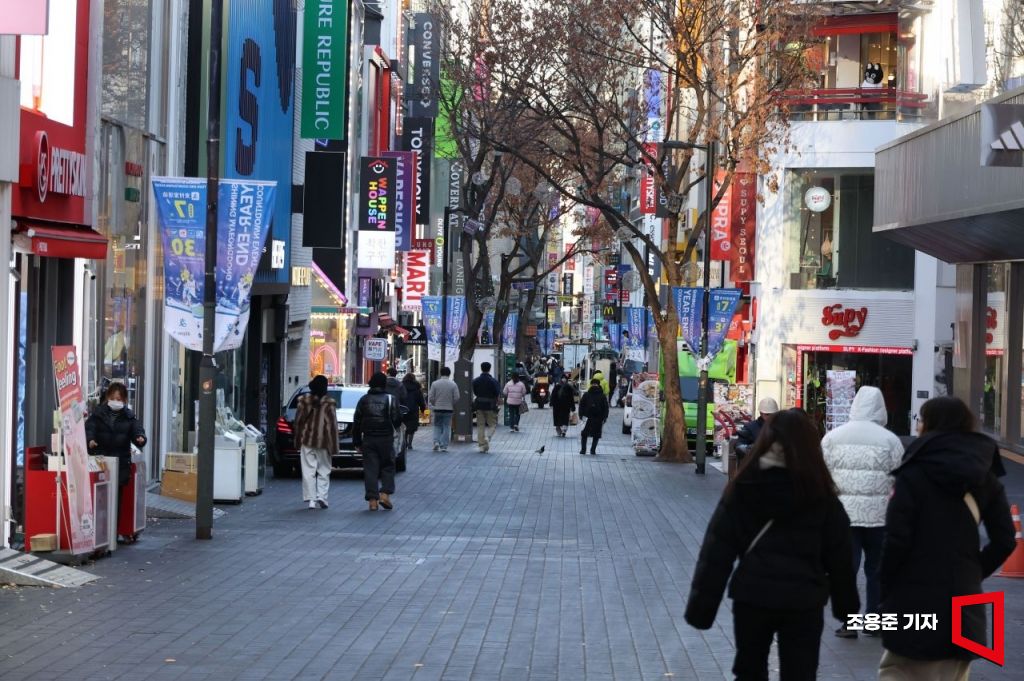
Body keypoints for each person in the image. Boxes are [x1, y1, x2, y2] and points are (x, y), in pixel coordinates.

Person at [684, 409, 859, 681]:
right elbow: (840, 556)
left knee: (749, 670)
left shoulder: (745, 486)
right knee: (801, 673)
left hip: (753, 595)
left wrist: (702, 608)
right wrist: (846, 607)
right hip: (804, 599)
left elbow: (717, 550)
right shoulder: (820, 492)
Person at [878, 396, 1015, 679]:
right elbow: (1005, 539)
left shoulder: (913, 474)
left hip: (915, 600)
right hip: (963, 603)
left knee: (897, 671)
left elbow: (897, 540)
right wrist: (973, 570)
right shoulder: (985, 476)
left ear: (928, 425)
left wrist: (885, 583)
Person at [821, 386, 905, 639]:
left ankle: (848, 622)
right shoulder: (890, 440)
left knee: (846, 570)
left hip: (843, 517)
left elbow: (822, 475)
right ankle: (874, 620)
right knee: (877, 570)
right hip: (879, 516)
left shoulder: (832, 437)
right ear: (881, 407)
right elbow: (900, 475)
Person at [86, 382, 147, 537]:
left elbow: (137, 431)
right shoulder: (98, 414)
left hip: (120, 464)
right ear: (107, 398)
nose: (115, 401)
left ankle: (112, 534)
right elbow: (89, 429)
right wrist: (90, 440)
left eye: (119, 399)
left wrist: (140, 438)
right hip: (101, 462)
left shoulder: (129, 417)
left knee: (116, 500)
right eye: (113, 398)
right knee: (99, 499)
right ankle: (99, 534)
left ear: (125, 400)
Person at [352, 372, 403, 511]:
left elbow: (357, 422)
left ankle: (373, 500)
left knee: (370, 469)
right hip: (386, 438)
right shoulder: (390, 399)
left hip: (368, 439)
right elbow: (397, 420)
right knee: (388, 466)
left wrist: (357, 441)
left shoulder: (363, 400)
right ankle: (385, 494)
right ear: (384, 384)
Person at [292, 375, 338, 510]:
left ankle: (311, 499)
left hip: (307, 440)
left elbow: (298, 423)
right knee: (324, 469)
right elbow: (332, 426)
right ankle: (322, 496)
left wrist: (297, 440)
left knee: (308, 470)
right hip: (324, 441)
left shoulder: (303, 401)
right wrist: (334, 446)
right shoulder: (329, 403)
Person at [428, 367, 460, 451]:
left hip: (438, 408)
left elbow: (431, 397)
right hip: (448, 409)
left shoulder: (435, 384)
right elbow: (457, 397)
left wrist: (435, 403)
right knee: (447, 427)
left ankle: (436, 442)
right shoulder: (453, 384)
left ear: (440, 373)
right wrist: (451, 403)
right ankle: (444, 445)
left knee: (437, 426)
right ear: (449, 374)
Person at [472, 362, 502, 452]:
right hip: (490, 405)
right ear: (489, 369)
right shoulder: (494, 381)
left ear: (481, 368)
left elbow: (475, 392)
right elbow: (497, 392)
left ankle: (482, 445)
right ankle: (488, 437)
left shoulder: (476, 380)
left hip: (479, 405)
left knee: (480, 425)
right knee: (492, 424)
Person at [578, 378, 609, 455]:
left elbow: (605, 407)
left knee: (596, 435)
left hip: (598, 418)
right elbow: (581, 405)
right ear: (591, 385)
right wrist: (581, 415)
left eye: (596, 384)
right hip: (587, 417)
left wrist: (605, 417)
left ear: (598, 385)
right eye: (593, 384)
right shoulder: (586, 395)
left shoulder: (602, 396)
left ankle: (593, 450)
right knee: (584, 434)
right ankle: (583, 449)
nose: (594, 385)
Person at [401, 372, 426, 451]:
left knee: (404, 427)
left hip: (403, 409)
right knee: (412, 428)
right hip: (413, 410)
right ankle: (410, 444)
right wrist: (423, 410)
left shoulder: (401, 386)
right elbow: (421, 400)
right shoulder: (417, 388)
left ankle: (404, 442)